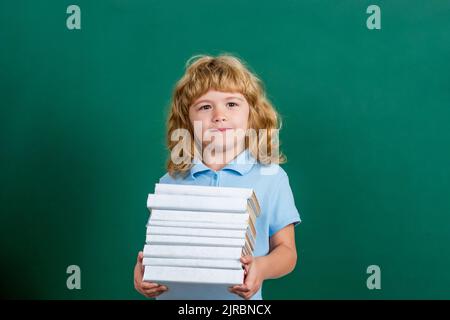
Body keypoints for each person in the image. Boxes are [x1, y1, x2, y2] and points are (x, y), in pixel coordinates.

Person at [134, 54, 301, 300]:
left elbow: (287, 252)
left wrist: (261, 267)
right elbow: (159, 251)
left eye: (231, 104)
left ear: (252, 114)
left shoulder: (271, 177)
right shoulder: (171, 182)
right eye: (205, 106)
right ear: (187, 121)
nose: (219, 115)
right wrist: (141, 271)